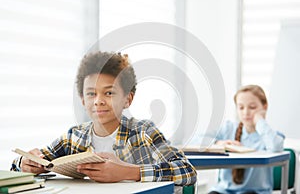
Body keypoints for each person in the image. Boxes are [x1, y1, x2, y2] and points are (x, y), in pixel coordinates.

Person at [11, 51, 197, 186]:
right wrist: (25, 164)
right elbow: (29, 164)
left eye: (109, 92)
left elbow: (187, 171)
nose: (98, 101)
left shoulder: (143, 133)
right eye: (91, 94)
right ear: (83, 100)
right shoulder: (73, 137)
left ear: (127, 99)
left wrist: (129, 172)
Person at [208, 85, 285, 194]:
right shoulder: (228, 128)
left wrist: (260, 120)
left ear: (264, 107)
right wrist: (218, 143)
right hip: (224, 191)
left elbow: (275, 146)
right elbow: (197, 139)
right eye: (241, 107)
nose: (246, 112)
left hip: (255, 192)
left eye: (252, 107)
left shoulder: (270, 135)